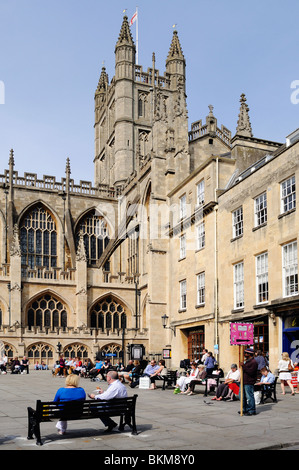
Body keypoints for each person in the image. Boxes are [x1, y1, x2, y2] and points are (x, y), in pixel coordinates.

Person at [239, 348, 258, 416]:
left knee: (249, 397)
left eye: (245, 353)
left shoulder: (253, 362)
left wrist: (244, 366)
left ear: (249, 354)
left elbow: (251, 372)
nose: (244, 355)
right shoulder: (247, 361)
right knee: (241, 396)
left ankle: (252, 410)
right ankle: (244, 408)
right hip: (244, 381)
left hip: (249, 382)